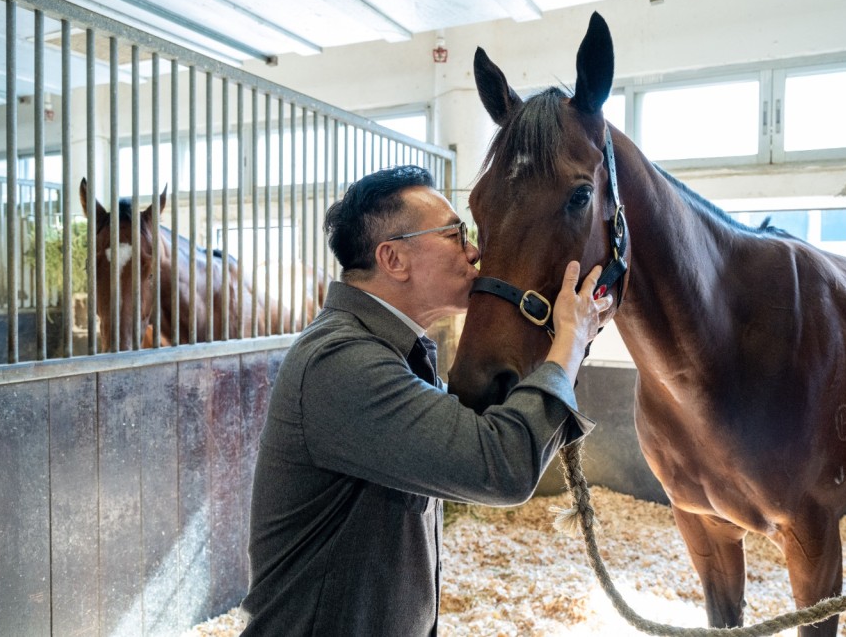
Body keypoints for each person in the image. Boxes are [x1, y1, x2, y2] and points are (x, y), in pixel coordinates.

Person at [241, 165, 611, 636]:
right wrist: (570, 345)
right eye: (456, 234)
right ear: (394, 259)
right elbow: (502, 466)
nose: (475, 251)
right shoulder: (342, 362)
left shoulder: (395, 350)